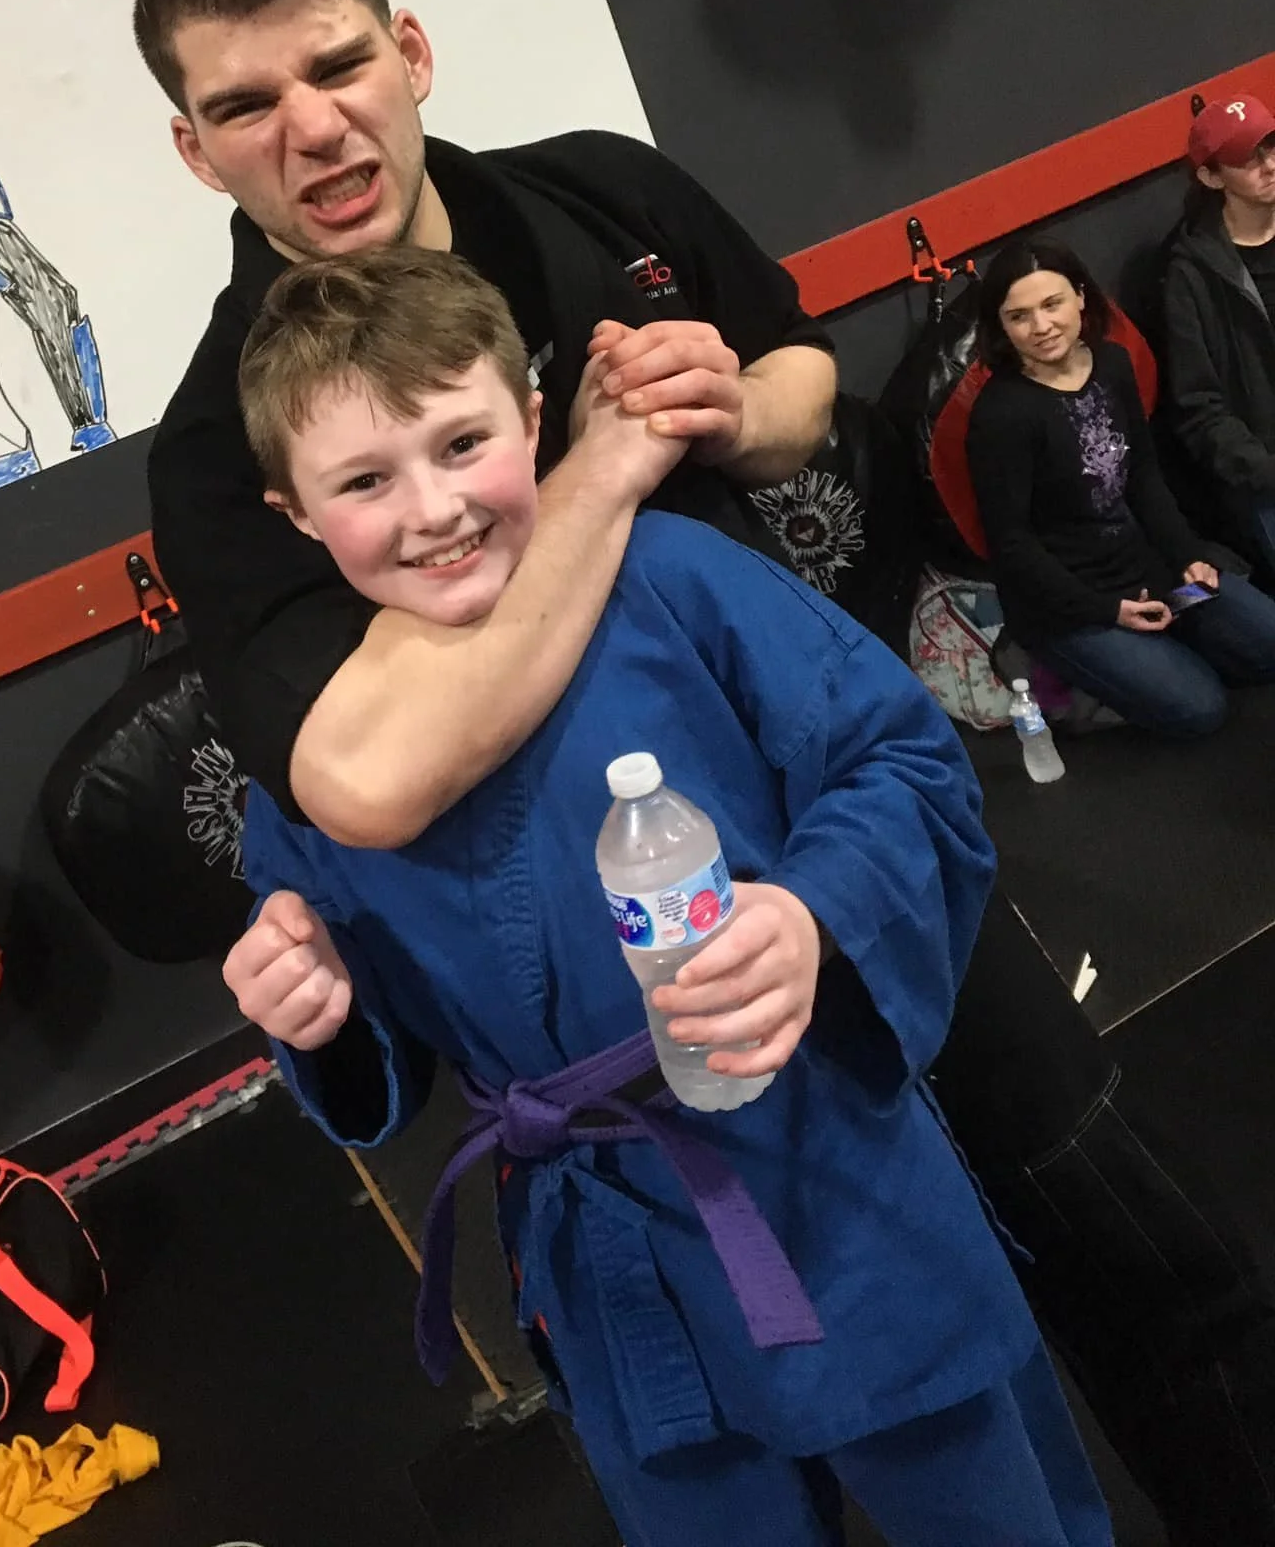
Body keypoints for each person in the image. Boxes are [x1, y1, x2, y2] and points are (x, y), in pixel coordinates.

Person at [141, 0, 1275, 1543]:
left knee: (1111, 1235)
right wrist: (606, 470)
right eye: (245, 104)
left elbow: (799, 375)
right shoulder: (220, 448)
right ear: (193, 150)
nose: (310, 127)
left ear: (409, 50)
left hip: (833, 833)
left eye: (335, 65)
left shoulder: (599, 194)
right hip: (617, 1069)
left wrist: (727, 410)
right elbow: (364, 788)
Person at [230, 244, 1113, 1547]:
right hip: (604, 1250)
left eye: (463, 443)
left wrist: (810, 912)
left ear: (535, 419)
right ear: (297, 515)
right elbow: (358, 1018)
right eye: (364, 480)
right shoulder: (321, 757)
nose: (433, 509)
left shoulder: (674, 581)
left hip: (818, 1166)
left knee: (986, 1510)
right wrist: (313, 1006)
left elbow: (905, 764)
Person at [966, 236, 1275, 737]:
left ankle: (1158, 656)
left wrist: (1187, 555)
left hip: (1144, 571)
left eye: (1052, 304)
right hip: (1071, 606)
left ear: (1080, 297)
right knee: (1200, 709)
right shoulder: (1001, 415)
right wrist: (1109, 611)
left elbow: (1144, 478)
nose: (1041, 327)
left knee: (1267, 644)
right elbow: (1013, 545)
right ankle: (1066, 674)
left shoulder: (1111, 363)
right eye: (1019, 316)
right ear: (1001, 325)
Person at [1161, 94, 1275, 570]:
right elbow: (1200, 411)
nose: (1270, 165)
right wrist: (1265, 470)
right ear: (1211, 177)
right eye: (1248, 158)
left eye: (1272, 145)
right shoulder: (1189, 276)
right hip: (1264, 478)